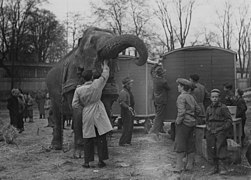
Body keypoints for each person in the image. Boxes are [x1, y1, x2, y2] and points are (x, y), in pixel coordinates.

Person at [72, 60, 113, 168]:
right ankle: (101, 161)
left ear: (83, 78)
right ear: (91, 77)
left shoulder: (79, 90)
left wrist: (84, 106)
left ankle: (87, 162)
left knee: (88, 137)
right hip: (98, 111)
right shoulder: (97, 83)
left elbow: (74, 104)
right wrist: (105, 66)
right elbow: (105, 75)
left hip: (87, 112)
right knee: (101, 136)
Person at [173, 78, 201, 173]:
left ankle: (179, 167)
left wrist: (177, 122)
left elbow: (181, 112)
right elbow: (198, 110)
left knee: (180, 144)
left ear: (182, 87)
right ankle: (189, 166)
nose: (178, 87)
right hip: (192, 123)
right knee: (190, 144)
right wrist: (192, 117)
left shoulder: (181, 97)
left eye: (179, 86)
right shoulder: (191, 97)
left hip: (183, 123)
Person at [205, 89, 233, 175]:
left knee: (220, 147)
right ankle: (214, 167)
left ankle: (223, 167)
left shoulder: (223, 107)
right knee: (211, 148)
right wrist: (209, 128)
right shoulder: (208, 108)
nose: (214, 99)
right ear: (210, 98)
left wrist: (222, 129)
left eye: (216, 97)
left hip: (220, 131)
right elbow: (206, 120)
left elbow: (229, 120)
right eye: (213, 97)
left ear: (219, 98)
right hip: (210, 131)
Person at [149, 64, 170, 139]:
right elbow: (168, 88)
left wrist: (155, 66)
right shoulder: (163, 81)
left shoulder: (155, 79)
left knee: (158, 114)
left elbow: (151, 72)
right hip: (161, 100)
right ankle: (155, 131)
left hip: (156, 99)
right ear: (162, 74)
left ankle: (159, 129)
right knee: (159, 116)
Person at [118, 77, 135, 147]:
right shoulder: (123, 92)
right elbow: (121, 102)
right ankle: (122, 142)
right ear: (127, 84)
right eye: (130, 83)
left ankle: (128, 141)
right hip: (126, 111)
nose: (132, 84)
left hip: (130, 111)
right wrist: (128, 107)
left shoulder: (128, 91)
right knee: (126, 127)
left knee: (130, 127)